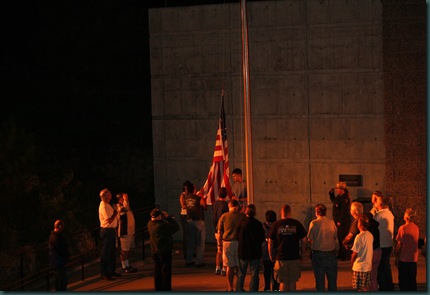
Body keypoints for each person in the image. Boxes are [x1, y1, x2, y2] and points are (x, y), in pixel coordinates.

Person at [268, 204, 307, 291]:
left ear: (281, 213)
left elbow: (270, 241)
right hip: (294, 257)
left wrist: (271, 255)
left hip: (280, 257)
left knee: (283, 282)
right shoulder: (296, 223)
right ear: (290, 212)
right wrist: (302, 253)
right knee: (292, 281)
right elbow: (304, 239)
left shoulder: (276, 224)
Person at [307, 204, 339, 291]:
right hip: (331, 253)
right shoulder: (332, 222)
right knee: (332, 280)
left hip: (318, 254)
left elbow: (309, 239)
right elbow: (335, 237)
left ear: (317, 212)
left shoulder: (314, 223)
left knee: (320, 279)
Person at [147, 208, 180, 291]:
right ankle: (166, 289)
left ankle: (158, 288)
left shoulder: (150, 224)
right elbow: (176, 227)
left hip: (154, 250)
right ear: (158, 216)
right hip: (164, 250)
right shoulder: (162, 225)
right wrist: (168, 217)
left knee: (157, 270)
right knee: (166, 271)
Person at [217, 200, 245, 291]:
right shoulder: (242, 216)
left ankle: (230, 288)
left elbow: (219, 232)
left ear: (229, 206)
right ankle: (239, 287)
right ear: (237, 206)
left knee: (229, 266)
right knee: (239, 267)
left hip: (227, 243)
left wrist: (219, 245)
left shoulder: (224, 216)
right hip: (239, 243)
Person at [237, 204, 265, 291]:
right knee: (254, 273)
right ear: (255, 212)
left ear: (246, 212)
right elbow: (261, 238)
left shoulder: (241, 223)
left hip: (243, 250)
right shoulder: (258, 224)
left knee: (241, 273)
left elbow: (237, 235)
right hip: (255, 251)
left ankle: (239, 289)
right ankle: (253, 290)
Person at [372, 191, 394, 291]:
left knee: (381, 268)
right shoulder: (389, 213)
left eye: (376, 201)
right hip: (388, 243)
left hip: (382, 244)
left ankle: (385, 287)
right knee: (386, 266)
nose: (374, 203)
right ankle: (389, 285)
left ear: (380, 204)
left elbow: (372, 227)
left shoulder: (379, 216)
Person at [99, 188, 121, 281]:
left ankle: (111, 271)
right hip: (107, 231)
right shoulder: (103, 206)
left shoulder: (107, 205)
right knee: (106, 253)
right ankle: (105, 273)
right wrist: (115, 213)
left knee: (111, 252)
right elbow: (109, 220)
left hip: (110, 230)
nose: (111, 195)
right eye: (110, 194)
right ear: (105, 196)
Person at [395, 208, 419, 291]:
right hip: (413, 259)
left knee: (403, 281)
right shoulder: (416, 228)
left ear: (407, 217)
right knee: (412, 280)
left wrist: (397, 257)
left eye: (405, 214)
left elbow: (399, 244)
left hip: (404, 258)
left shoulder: (403, 228)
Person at [184, 182, 207, 267]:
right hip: (199, 222)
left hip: (190, 221)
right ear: (194, 190)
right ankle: (199, 261)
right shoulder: (198, 198)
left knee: (191, 242)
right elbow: (204, 207)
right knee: (200, 242)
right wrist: (202, 197)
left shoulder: (186, 199)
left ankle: (188, 260)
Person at [329, 181, 351, 260]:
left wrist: (340, 220)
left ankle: (346, 254)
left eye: (338, 188)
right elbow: (334, 202)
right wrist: (331, 194)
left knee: (343, 237)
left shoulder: (345, 198)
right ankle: (341, 253)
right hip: (338, 220)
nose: (337, 190)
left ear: (342, 189)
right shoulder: (339, 197)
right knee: (340, 237)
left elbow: (343, 210)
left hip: (343, 221)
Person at [351, 214, 373, 291]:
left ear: (360, 224)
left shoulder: (359, 237)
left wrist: (352, 262)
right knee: (365, 287)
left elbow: (355, 252)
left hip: (359, 266)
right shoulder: (370, 235)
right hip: (368, 266)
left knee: (359, 288)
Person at [116, 192, 137, 273]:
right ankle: (124, 266)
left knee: (127, 250)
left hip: (129, 231)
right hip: (124, 232)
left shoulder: (126, 205)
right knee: (124, 250)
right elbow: (124, 210)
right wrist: (125, 200)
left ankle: (127, 265)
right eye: (124, 197)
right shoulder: (119, 206)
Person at [48, 220, 69, 291]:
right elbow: (60, 249)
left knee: (59, 279)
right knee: (62, 279)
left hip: (56, 261)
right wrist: (66, 255)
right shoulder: (56, 237)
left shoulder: (54, 236)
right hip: (58, 261)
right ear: (59, 226)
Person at [213, 187, 229, 276]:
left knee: (219, 249)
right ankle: (224, 268)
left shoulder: (215, 203)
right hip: (223, 230)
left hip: (216, 230)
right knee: (224, 250)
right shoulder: (225, 205)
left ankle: (217, 267)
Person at [262, 210, 279, 291]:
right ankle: (276, 287)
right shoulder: (277, 226)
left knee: (266, 271)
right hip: (275, 252)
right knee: (275, 271)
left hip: (265, 252)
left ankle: (267, 287)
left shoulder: (263, 226)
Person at [364, 211, 381, 291]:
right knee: (374, 275)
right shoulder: (376, 227)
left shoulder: (368, 230)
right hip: (377, 251)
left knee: (367, 277)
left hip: (370, 253)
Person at [179, 180, 191, 260]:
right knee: (186, 235)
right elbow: (183, 206)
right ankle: (185, 252)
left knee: (190, 234)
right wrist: (190, 205)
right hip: (184, 215)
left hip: (190, 215)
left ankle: (190, 251)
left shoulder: (190, 195)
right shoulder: (183, 195)